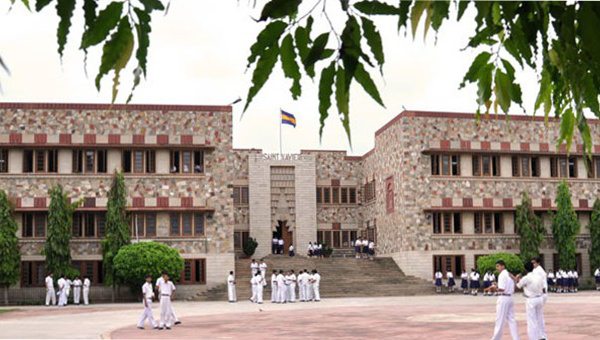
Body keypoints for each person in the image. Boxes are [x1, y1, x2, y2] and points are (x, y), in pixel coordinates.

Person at [489, 260, 519, 340]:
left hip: (503, 297)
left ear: (503, 266)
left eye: (498, 266)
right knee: (511, 320)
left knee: (500, 320)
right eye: (496, 266)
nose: (497, 268)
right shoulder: (509, 274)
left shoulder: (502, 275)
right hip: (510, 297)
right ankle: (516, 338)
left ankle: (496, 338)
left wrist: (494, 289)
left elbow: (502, 289)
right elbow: (515, 281)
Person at [516, 262, 544, 340]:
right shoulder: (538, 276)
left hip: (531, 299)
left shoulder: (526, 278)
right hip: (539, 298)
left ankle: (533, 338)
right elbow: (542, 287)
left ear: (525, 269)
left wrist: (517, 279)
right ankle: (541, 336)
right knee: (540, 318)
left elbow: (518, 286)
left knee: (531, 320)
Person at [531, 257, 548, 340]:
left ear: (538, 263)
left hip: (540, 294)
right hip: (541, 293)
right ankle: (541, 335)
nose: (533, 264)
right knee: (539, 316)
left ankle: (541, 335)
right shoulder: (537, 270)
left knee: (537, 316)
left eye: (534, 263)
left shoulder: (538, 271)